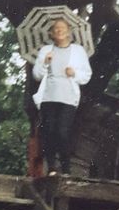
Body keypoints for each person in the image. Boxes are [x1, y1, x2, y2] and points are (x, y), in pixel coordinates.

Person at [32, 18, 92, 175]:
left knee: (62, 132)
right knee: (49, 131)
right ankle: (52, 167)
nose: (59, 31)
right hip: (48, 97)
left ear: (68, 32)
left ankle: (65, 167)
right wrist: (45, 62)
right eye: (56, 29)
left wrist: (75, 73)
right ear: (52, 33)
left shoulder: (78, 51)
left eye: (62, 28)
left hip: (68, 98)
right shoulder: (46, 50)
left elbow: (86, 76)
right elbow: (37, 75)